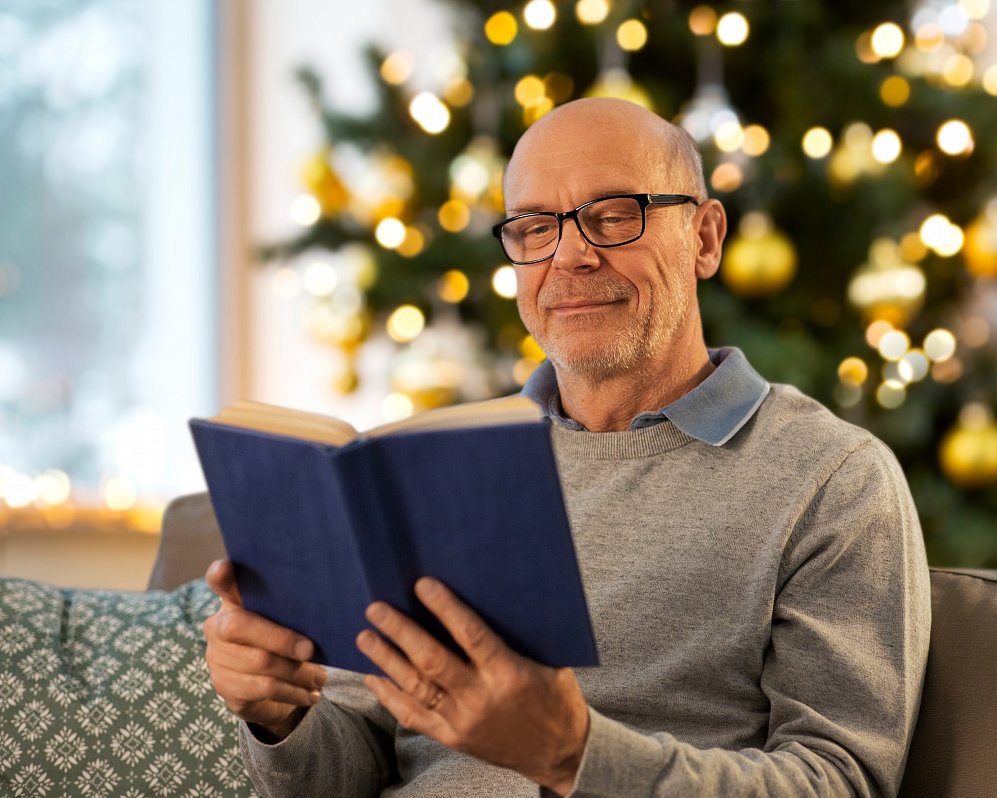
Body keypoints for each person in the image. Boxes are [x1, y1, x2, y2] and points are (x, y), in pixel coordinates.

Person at [203, 97, 931, 797]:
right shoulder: (445, 470)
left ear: (705, 238)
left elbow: (841, 783)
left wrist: (573, 754)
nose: (571, 257)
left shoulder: (832, 479)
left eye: (615, 216)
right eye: (534, 227)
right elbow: (353, 768)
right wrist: (283, 715)